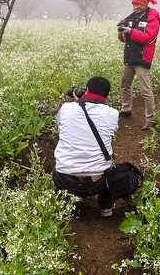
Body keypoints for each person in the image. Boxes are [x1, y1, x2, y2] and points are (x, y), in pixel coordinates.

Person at [52, 76, 119, 217]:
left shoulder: (66, 108)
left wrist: (79, 103)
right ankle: (106, 206)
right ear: (107, 96)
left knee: (61, 159)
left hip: (64, 180)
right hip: (97, 183)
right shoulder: (113, 113)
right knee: (110, 159)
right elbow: (111, 136)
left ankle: (67, 203)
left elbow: (64, 129)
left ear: (87, 90)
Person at [117, 0, 160, 131]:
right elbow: (122, 38)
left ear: (145, 3)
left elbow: (148, 38)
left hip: (143, 57)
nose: (135, 7)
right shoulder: (131, 17)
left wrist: (130, 30)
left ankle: (150, 118)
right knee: (124, 84)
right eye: (133, 4)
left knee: (145, 90)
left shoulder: (152, 19)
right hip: (130, 56)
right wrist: (121, 30)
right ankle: (126, 109)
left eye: (137, 4)